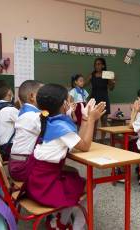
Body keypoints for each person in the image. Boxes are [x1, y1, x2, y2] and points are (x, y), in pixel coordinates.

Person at [25, 84, 106, 229]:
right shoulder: (61, 127)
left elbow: (78, 143)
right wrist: (92, 120)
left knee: (74, 178)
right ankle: (75, 226)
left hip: (37, 181)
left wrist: (86, 118)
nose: (71, 103)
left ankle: (60, 222)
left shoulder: (49, 121)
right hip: (45, 187)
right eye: (69, 100)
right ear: (64, 105)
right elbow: (85, 146)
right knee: (92, 186)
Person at [9, 80, 43, 181]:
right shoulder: (34, 117)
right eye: (43, 93)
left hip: (16, 164)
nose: (47, 96)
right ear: (32, 96)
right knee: (71, 174)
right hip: (23, 168)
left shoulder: (23, 112)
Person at [86, 58, 115, 140]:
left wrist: (112, 82)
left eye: (99, 64)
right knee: (94, 121)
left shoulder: (107, 74)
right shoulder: (92, 75)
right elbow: (84, 84)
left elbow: (111, 88)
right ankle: (93, 139)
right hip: (94, 99)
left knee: (104, 121)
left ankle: (103, 140)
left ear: (103, 65)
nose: (97, 66)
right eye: (95, 64)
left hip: (104, 99)